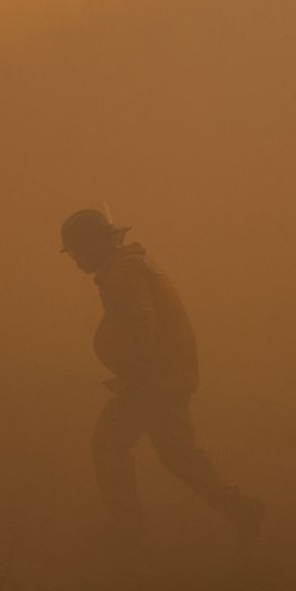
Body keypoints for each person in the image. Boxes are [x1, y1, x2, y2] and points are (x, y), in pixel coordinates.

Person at [60, 208, 265, 548]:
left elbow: (141, 322)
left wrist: (136, 373)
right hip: (166, 377)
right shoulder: (132, 266)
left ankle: (128, 532)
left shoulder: (122, 274)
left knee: (109, 444)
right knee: (178, 454)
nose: (77, 259)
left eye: (78, 251)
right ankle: (239, 508)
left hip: (153, 381)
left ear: (96, 245)